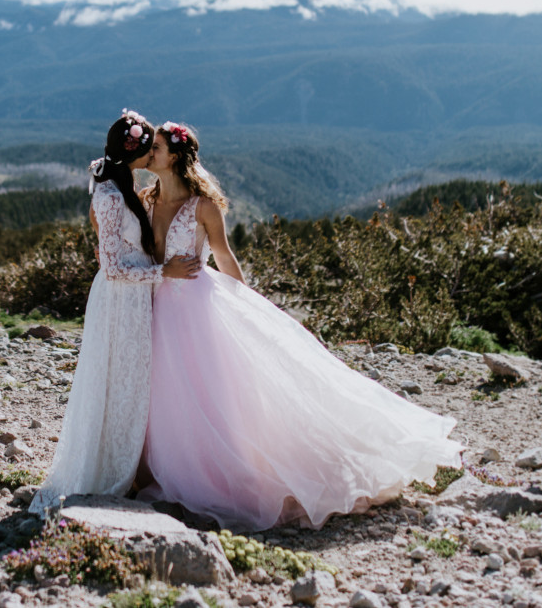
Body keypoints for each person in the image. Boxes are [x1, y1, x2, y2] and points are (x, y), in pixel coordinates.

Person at [138, 121, 462, 531]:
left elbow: (223, 255)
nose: (150, 151)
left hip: (198, 308)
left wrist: (244, 309)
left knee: (210, 390)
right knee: (167, 392)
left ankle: (221, 474)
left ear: (177, 157)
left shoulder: (202, 206)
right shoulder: (145, 200)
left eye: (158, 146)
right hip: (158, 306)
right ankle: (164, 468)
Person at [30, 111, 199, 514]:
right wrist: (165, 271)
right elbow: (112, 268)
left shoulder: (124, 187)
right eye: (148, 149)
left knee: (134, 382)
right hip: (119, 300)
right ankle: (106, 470)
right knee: (116, 381)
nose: (152, 156)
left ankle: (132, 465)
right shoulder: (107, 195)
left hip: (135, 298)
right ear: (135, 154)